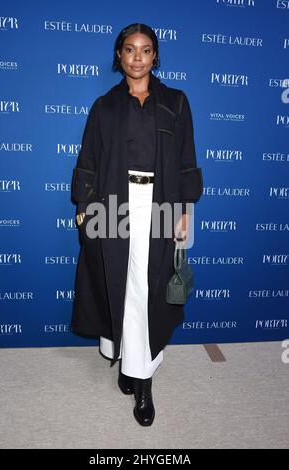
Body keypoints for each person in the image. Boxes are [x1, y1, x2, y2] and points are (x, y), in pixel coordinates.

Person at [70, 23, 203, 427]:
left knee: (148, 288)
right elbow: (89, 157)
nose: (138, 57)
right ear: (119, 56)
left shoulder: (176, 102)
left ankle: (143, 379)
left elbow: (185, 159)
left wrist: (185, 210)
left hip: (159, 204)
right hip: (113, 204)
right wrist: (83, 205)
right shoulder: (104, 107)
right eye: (130, 50)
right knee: (122, 286)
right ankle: (130, 362)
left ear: (155, 57)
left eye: (146, 50)